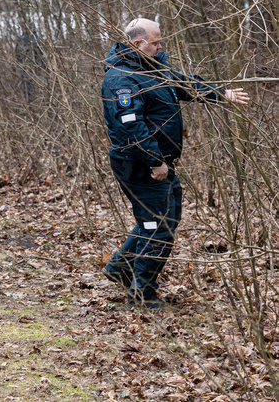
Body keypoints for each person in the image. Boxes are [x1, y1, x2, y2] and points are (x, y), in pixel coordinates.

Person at [101, 18, 249, 310]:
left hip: (158, 161)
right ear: (137, 44)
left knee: (161, 218)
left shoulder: (153, 67)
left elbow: (183, 83)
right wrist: (155, 162)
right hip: (139, 164)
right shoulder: (121, 80)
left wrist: (220, 94)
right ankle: (142, 294)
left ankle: (120, 267)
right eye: (155, 42)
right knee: (159, 225)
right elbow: (131, 129)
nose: (160, 46)